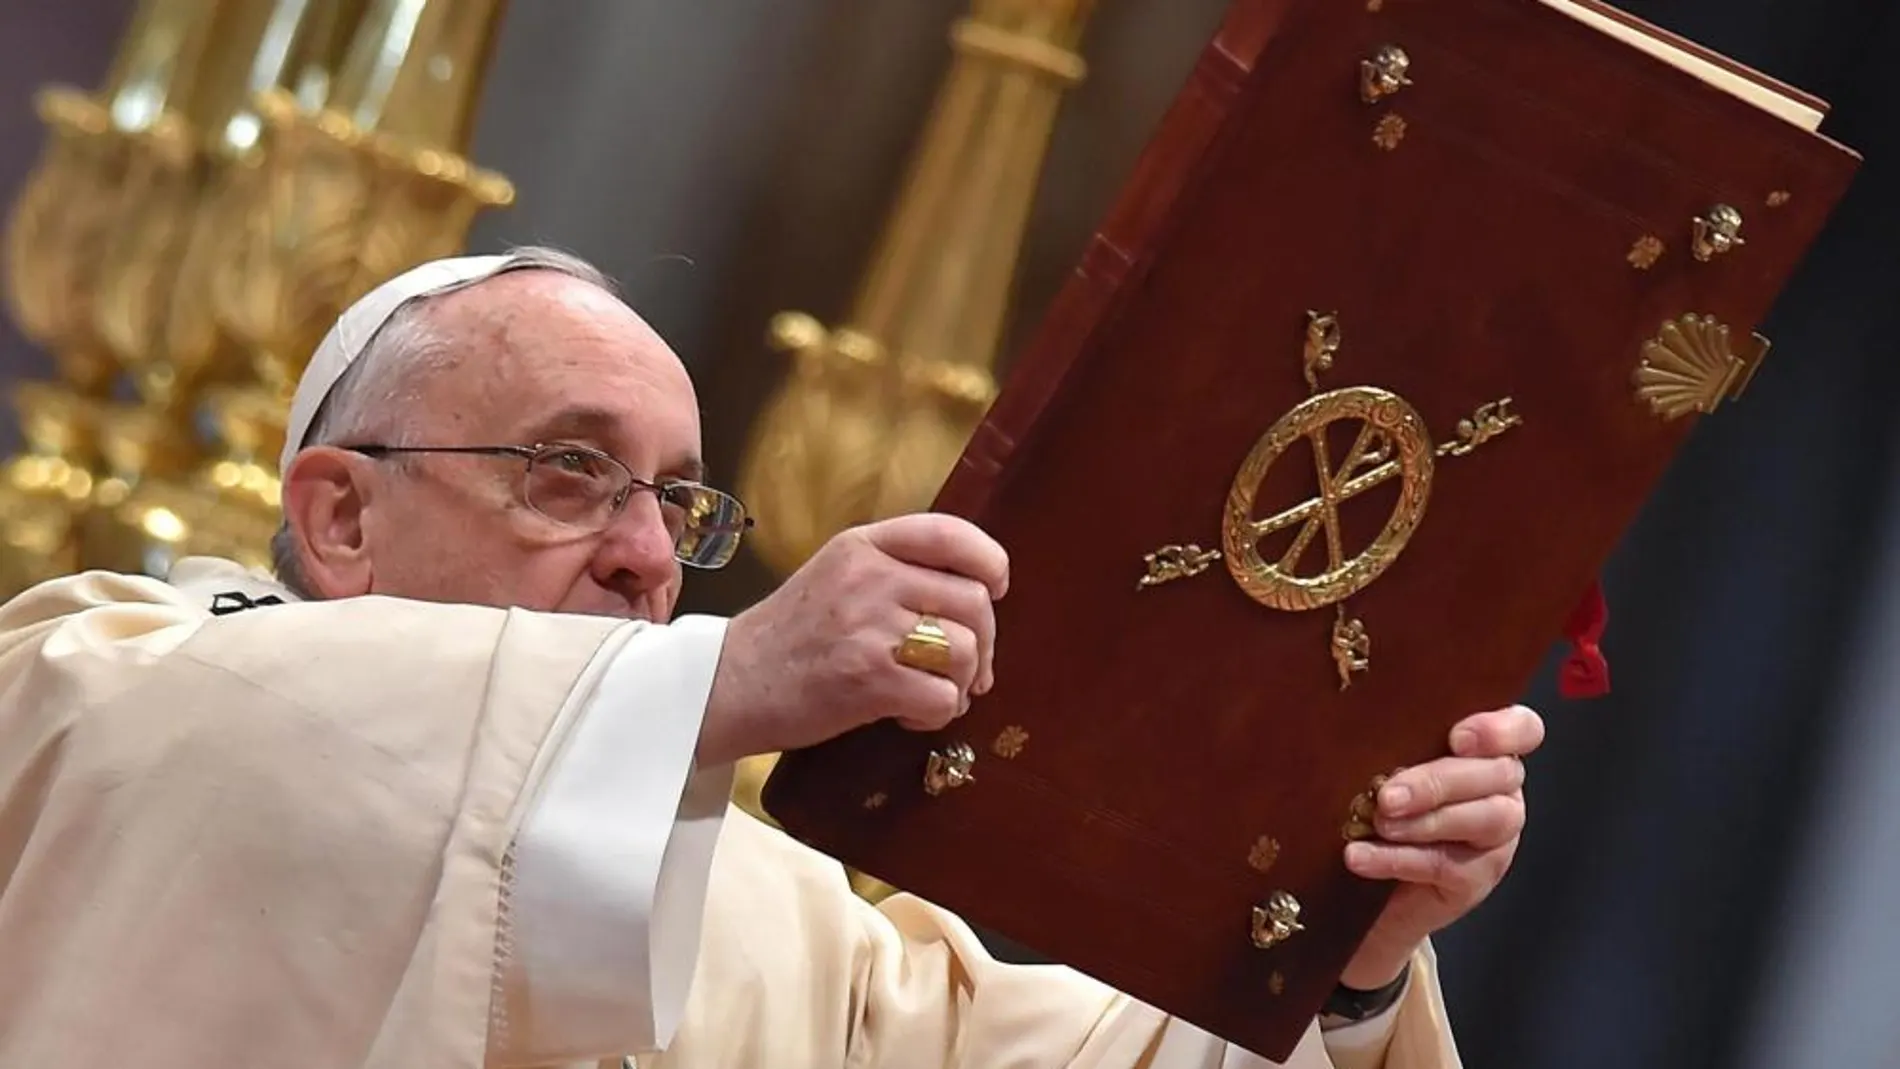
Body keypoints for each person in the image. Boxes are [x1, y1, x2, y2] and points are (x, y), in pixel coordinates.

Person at [0, 246, 1544, 1069]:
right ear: (338, 519)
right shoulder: (112, 687)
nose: (647, 552)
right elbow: (258, 758)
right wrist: (732, 680)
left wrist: (1345, 959)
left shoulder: (771, 922)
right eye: (567, 471)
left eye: (677, 500)